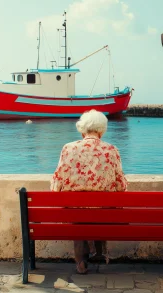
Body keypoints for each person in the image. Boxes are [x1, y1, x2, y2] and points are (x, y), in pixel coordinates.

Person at [50, 109, 127, 274]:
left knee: (77, 214)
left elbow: (57, 183)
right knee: (100, 210)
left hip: (75, 213)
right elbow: (121, 184)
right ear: (102, 129)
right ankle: (99, 253)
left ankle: (81, 262)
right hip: (103, 213)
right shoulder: (111, 150)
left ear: (82, 128)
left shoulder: (68, 148)